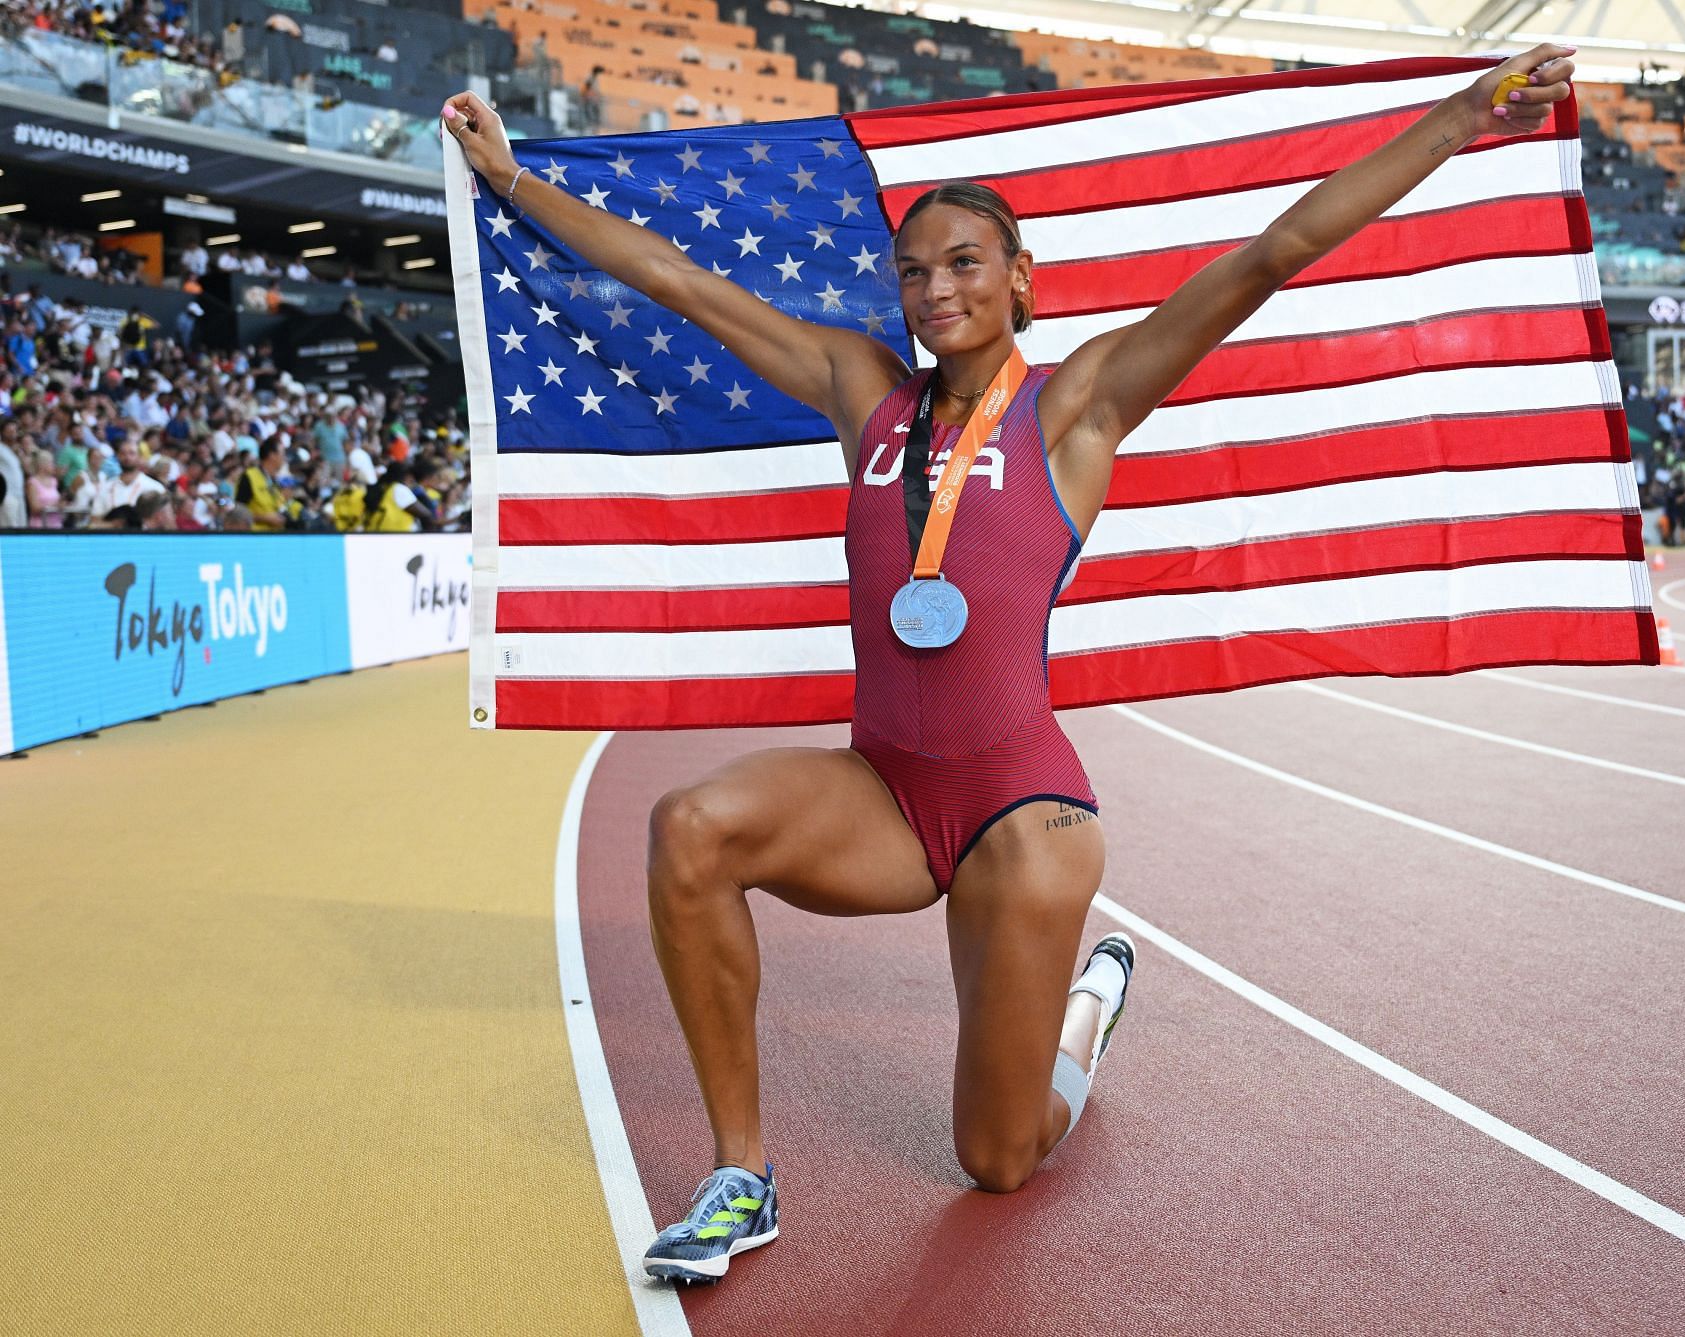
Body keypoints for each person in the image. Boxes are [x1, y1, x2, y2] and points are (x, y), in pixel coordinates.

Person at [444, 43, 1576, 1282]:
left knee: (998, 1156)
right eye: (914, 270)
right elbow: (682, 284)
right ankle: (739, 1174)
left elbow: (1271, 255)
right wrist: (512, 187)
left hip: (1018, 812)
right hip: (884, 788)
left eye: (964, 265)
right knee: (688, 828)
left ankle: (1083, 1015)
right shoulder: (859, 387)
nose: (935, 290)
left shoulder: (1077, 407)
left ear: (1021, 281)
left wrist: (1461, 118)